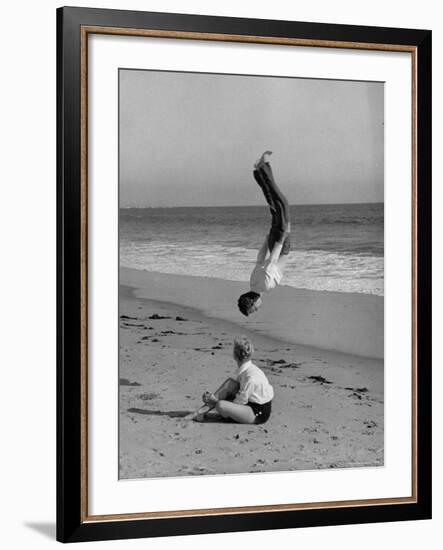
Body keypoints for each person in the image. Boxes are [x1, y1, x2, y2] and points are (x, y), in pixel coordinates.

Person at [238, 151, 291, 316]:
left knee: (283, 203)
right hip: (272, 242)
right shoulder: (253, 282)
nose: (257, 309)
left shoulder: (265, 287)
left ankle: (264, 166)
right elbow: (260, 258)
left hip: (281, 247)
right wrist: (267, 238)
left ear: (253, 302)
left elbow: (272, 262)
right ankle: (259, 173)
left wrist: (282, 238)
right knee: (275, 206)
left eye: (254, 309)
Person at [187, 336, 274, 424]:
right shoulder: (249, 369)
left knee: (221, 405)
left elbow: (240, 402)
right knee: (230, 383)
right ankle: (200, 412)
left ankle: (208, 408)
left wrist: (215, 401)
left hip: (258, 413)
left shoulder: (250, 378)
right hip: (249, 402)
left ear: (235, 355)